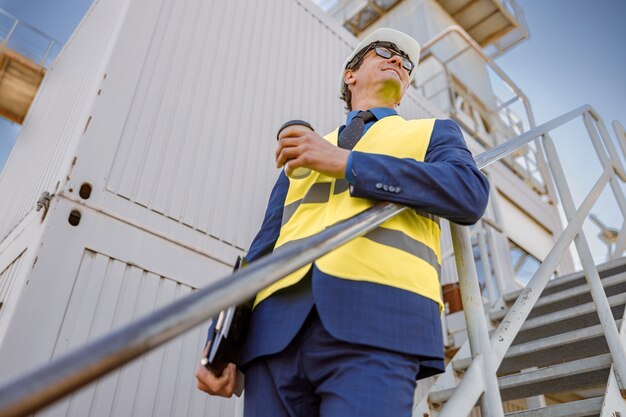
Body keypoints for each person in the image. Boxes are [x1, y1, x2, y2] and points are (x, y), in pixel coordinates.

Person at [196, 28, 489, 417]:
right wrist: (223, 341)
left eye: (406, 63)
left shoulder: (432, 132)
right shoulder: (305, 149)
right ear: (349, 75)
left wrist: (347, 164)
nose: (399, 61)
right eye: (385, 52)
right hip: (274, 336)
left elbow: (469, 193)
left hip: (380, 322)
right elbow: (262, 249)